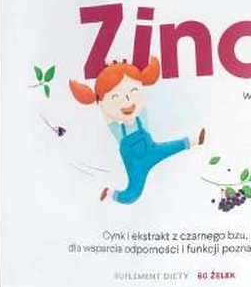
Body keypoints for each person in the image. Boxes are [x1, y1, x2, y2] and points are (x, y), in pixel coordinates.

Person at [69, 56, 206, 204]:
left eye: (132, 91)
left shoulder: (141, 117)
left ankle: (196, 141)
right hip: (136, 166)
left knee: (174, 146)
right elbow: (108, 117)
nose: (127, 100)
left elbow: (141, 100)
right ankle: (109, 193)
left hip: (153, 151)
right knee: (131, 196)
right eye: (116, 97)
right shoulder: (117, 130)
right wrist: (100, 99)